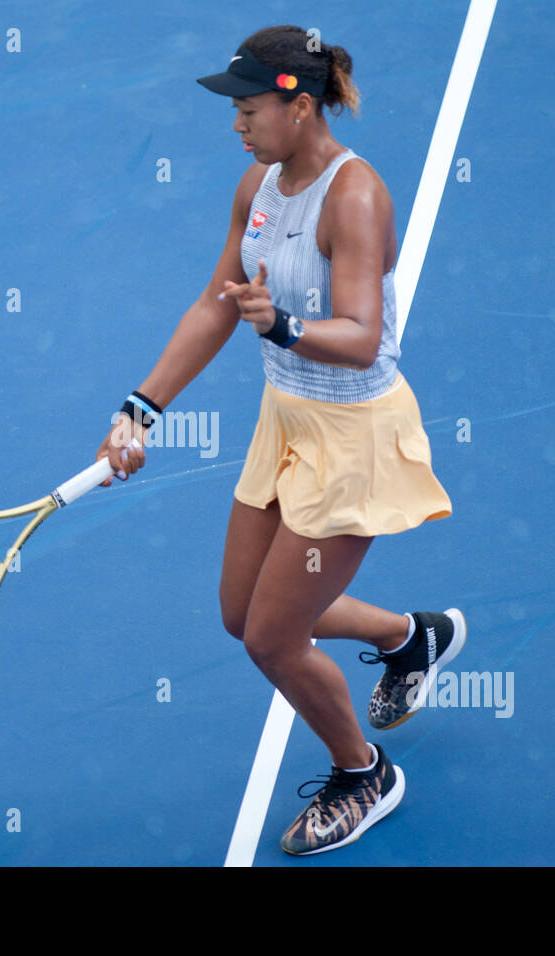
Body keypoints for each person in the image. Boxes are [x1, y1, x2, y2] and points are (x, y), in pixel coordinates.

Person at [94, 25, 467, 856]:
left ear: (300, 105)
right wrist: (140, 407)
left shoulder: (354, 196)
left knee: (272, 636)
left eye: (249, 106)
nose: (237, 122)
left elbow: (365, 336)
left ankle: (363, 773)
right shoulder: (257, 184)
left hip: (354, 438)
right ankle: (410, 638)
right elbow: (217, 301)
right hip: (287, 420)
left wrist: (287, 325)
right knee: (241, 613)